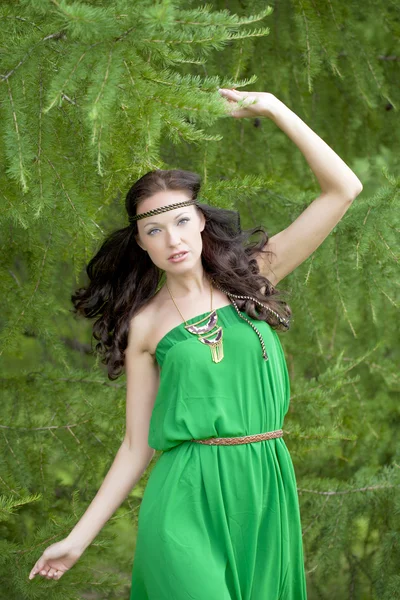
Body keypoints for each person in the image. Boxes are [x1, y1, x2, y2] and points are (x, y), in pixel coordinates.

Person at [28, 89, 363, 598]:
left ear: (201, 220)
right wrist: (78, 538)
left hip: (264, 485)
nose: (172, 238)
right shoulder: (145, 326)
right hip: (186, 494)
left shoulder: (252, 278)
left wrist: (273, 107)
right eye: (154, 229)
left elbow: (342, 189)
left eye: (182, 221)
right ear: (141, 242)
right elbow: (137, 445)